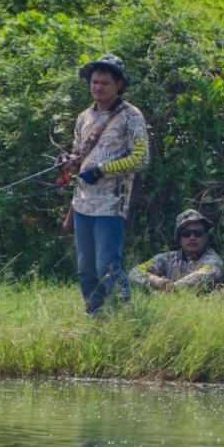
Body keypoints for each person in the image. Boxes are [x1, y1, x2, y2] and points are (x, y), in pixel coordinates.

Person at [65, 54, 150, 314]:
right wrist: (68, 162)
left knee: (107, 266)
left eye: (104, 82)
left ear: (119, 85)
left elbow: (141, 158)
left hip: (111, 204)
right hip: (82, 203)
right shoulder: (83, 117)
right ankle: (95, 315)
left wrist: (102, 170)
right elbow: (78, 154)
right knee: (85, 268)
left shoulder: (131, 116)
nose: (97, 87)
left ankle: (125, 315)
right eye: (94, 81)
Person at [129, 210, 224, 291]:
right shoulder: (168, 258)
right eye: (186, 233)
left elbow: (210, 274)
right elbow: (136, 272)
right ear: (179, 238)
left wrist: (171, 289)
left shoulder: (212, 259)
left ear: (206, 238)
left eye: (198, 233)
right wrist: (158, 282)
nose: (192, 237)